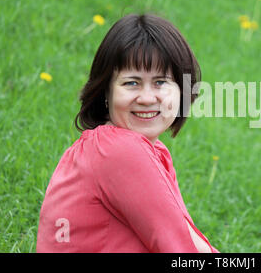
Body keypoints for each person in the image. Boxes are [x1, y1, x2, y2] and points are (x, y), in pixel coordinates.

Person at [36, 13, 219, 253]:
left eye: (160, 82)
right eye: (131, 83)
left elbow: (182, 235)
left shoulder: (146, 150)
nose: (146, 98)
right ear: (106, 92)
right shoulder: (118, 150)